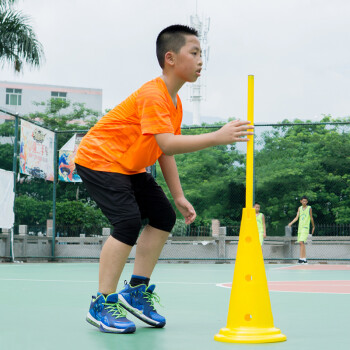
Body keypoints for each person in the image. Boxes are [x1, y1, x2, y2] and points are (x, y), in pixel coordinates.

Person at [74, 24, 254, 334]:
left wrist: (179, 195)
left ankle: (135, 291)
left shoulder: (175, 103)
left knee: (162, 216)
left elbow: (163, 151)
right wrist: (217, 137)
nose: (201, 61)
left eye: (202, 54)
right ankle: (101, 302)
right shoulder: (154, 94)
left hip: (128, 166)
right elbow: (169, 144)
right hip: (99, 159)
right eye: (194, 53)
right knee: (128, 223)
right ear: (170, 58)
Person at [288, 196, 315, 264]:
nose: (304, 202)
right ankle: (302, 259)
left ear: (307, 202)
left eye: (305, 201)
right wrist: (291, 223)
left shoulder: (309, 208)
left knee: (301, 242)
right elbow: (297, 218)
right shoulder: (299, 208)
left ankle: (303, 258)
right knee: (301, 243)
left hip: (305, 228)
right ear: (301, 201)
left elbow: (311, 218)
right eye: (303, 201)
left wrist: (313, 226)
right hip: (300, 228)